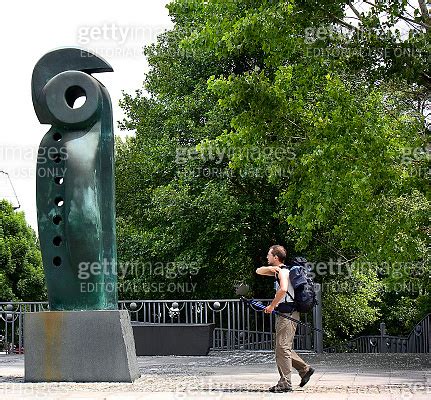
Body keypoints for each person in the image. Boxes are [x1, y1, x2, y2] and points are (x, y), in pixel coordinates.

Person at [256, 245, 315, 392]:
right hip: (288, 313)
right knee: (282, 348)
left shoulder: (283, 272)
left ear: (275, 257)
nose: (267, 257)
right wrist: (272, 269)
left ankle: (285, 383)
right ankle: (304, 370)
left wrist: (271, 306)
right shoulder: (283, 270)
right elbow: (258, 271)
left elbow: (282, 289)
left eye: (269, 255)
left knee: (282, 348)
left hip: (287, 314)